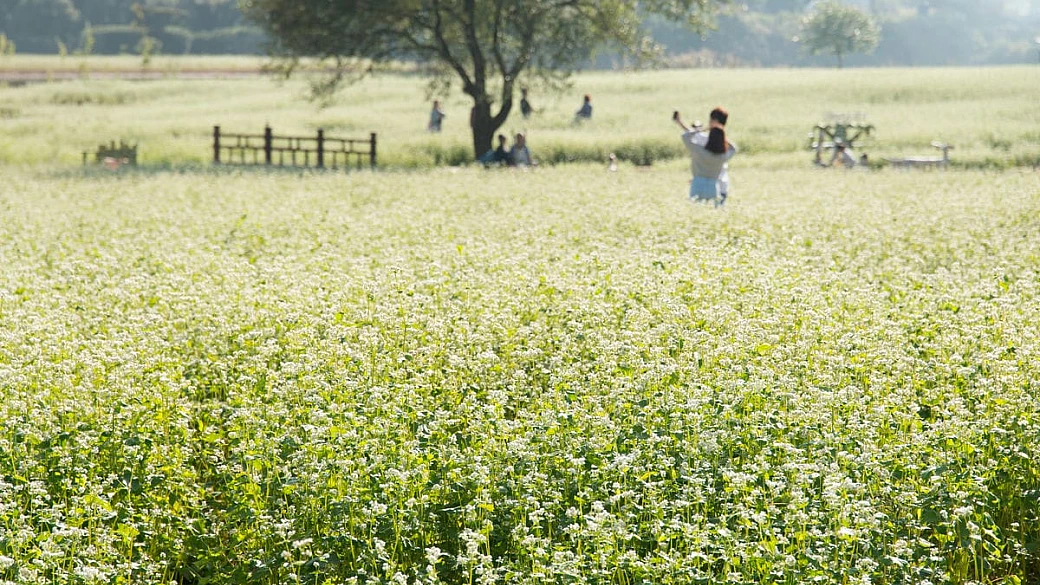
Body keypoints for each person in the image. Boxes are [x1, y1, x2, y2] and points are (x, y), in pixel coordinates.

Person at [674, 109, 737, 206]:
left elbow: (686, 136)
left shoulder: (699, 150)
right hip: (714, 186)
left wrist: (703, 129)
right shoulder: (722, 157)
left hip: (697, 184)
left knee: (696, 211)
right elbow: (734, 148)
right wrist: (722, 135)